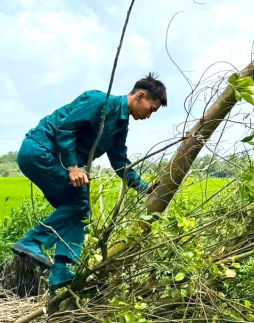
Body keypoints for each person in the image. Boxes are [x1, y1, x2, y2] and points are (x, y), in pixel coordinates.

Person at [11, 74, 167, 289]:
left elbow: (120, 162)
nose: (150, 115)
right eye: (152, 109)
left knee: (79, 210)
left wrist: (145, 189)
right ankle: (31, 242)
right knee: (78, 203)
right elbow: (65, 129)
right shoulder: (99, 102)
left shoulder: (120, 126)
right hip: (40, 150)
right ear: (140, 96)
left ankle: (61, 270)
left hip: (51, 159)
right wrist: (73, 167)